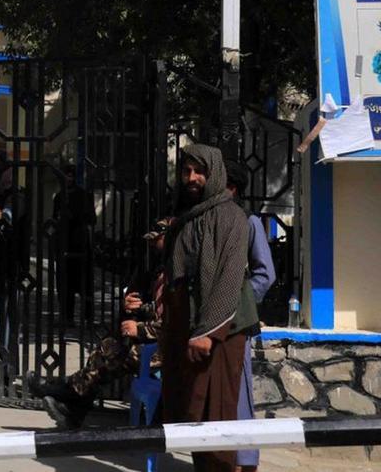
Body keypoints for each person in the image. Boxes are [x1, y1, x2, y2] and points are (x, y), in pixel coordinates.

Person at [161, 145, 255, 472]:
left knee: (218, 416)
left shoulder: (231, 217)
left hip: (219, 333)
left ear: (214, 173)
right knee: (196, 416)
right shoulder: (189, 217)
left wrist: (207, 332)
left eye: (199, 171)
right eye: (186, 171)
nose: (192, 178)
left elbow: (229, 277)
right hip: (188, 328)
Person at [29, 217, 173, 428]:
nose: (152, 245)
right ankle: (72, 407)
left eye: (156, 240)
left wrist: (140, 329)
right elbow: (153, 308)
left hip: (165, 345)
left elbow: (172, 321)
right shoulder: (158, 268)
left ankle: (61, 392)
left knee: (113, 358)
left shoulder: (177, 272)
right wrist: (131, 307)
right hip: (153, 339)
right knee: (106, 349)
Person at [224, 160, 276, 472]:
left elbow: (264, 274)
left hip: (236, 323)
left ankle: (245, 460)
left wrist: (240, 305)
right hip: (209, 324)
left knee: (240, 391)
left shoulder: (249, 221)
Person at [53, 164, 95, 325]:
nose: (67, 179)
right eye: (65, 176)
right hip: (64, 244)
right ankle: (67, 316)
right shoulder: (59, 197)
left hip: (80, 244)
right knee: (65, 285)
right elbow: (54, 219)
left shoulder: (83, 195)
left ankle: (88, 317)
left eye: (70, 176)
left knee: (84, 283)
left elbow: (91, 218)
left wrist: (75, 216)